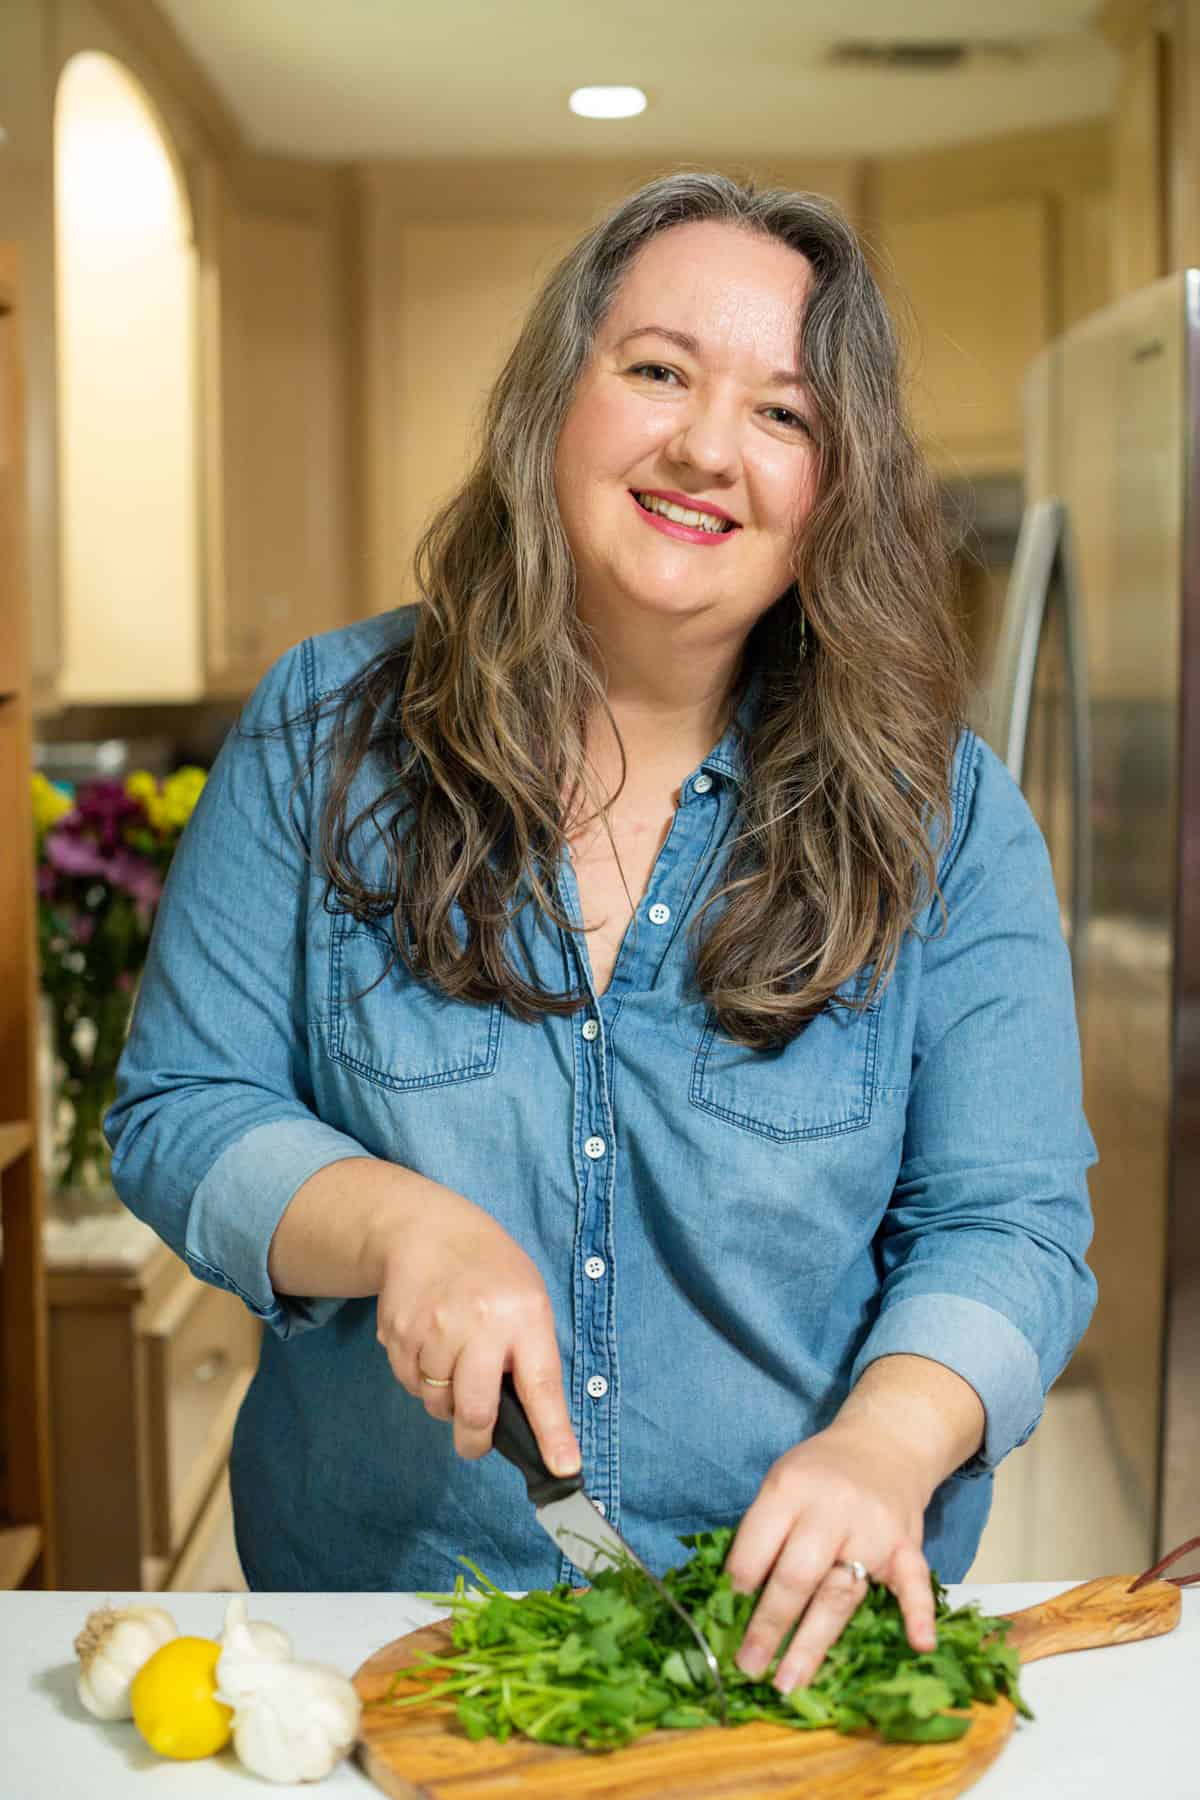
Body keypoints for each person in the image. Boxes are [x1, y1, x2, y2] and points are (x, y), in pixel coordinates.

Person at [106, 171, 1096, 1697]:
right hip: (385, 1631)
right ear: (551, 402)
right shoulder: (323, 731)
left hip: (791, 1648)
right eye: (657, 371)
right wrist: (399, 1223)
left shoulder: (943, 816)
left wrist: (888, 1441)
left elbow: (1010, 1224)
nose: (708, 447)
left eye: (787, 414)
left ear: (836, 489)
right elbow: (181, 1112)